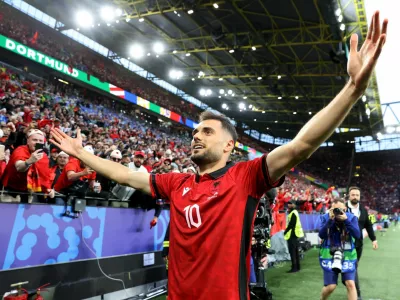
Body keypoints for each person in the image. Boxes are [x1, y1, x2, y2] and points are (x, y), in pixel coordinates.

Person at [49, 13, 388, 300]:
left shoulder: (246, 177)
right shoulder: (175, 183)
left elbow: (300, 145)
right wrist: (82, 154)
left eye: (207, 132)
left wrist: (353, 90)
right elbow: (123, 175)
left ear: (229, 146)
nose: (197, 135)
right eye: (195, 131)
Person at [319, 198, 360, 300]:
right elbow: (321, 235)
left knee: (350, 284)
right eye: (334, 209)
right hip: (329, 254)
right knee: (330, 287)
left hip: (348, 254)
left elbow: (357, 235)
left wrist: (346, 220)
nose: (337, 212)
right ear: (331, 209)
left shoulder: (351, 218)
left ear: (345, 209)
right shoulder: (325, 217)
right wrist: (330, 220)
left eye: (340, 209)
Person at [2, 129, 54, 203]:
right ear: (28, 141)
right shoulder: (20, 150)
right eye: (34, 140)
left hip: (29, 192)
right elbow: (19, 167)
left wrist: (48, 189)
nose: (37, 143)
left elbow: (44, 176)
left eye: (40, 141)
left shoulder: (44, 156)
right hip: (12, 190)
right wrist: (29, 161)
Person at [345, 186, 377, 300]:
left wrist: (374, 239)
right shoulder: (343, 208)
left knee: (353, 267)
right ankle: (356, 294)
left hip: (359, 245)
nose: (355, 197)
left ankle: (350, 285)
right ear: (349, 195)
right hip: (345, 245)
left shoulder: (363, 210)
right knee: (352, 267)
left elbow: (368, 225)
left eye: (357, 195)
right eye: (353, 195)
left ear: (360, 196)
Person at [284, 200, 304, 273]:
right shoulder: (294, 212)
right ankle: (297, 267)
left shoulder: (293, 213)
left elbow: (291, 224)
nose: (288, 205)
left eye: (290, 203)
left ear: (293, 204)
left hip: (292, 234)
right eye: (288, 203)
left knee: (293, 252)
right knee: (295, 251)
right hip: (295, 234)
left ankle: (294, 267)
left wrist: (286, 231)